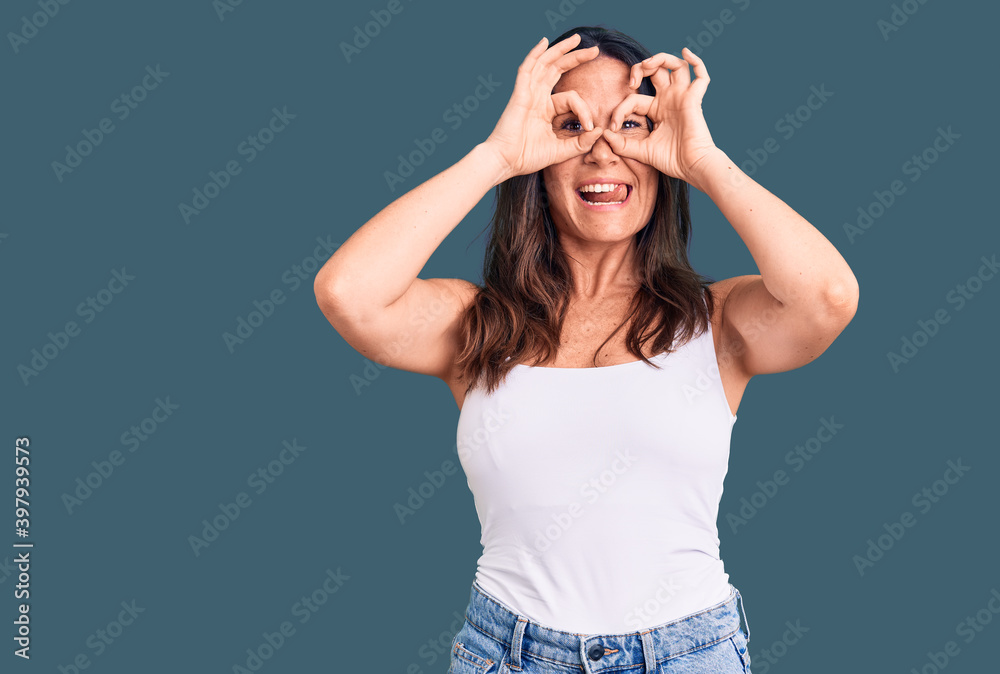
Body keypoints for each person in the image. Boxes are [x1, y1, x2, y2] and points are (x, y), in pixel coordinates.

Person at [315, 25, 857, 674]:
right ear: (538, 165)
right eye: (571, 127)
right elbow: (349, 294)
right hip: (509, 656)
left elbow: (826, 296)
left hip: (689, 656)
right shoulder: (476, 326)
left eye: (630, 125)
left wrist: (702, 158)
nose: (603, 152)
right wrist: (496, 154)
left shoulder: (719, 324)